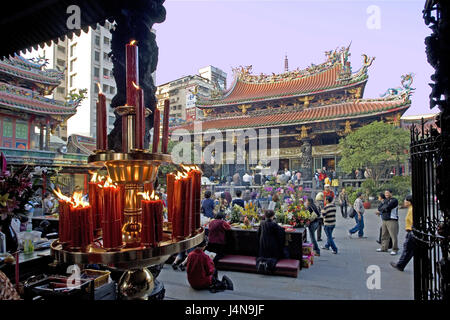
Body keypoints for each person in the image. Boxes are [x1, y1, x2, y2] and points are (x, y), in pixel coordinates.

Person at [391, 195, 414, 271]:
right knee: (409, 250)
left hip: (412, 232)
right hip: (412, 232)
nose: (404, 202)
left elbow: (413, 222)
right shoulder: (410, 209)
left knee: (407, 249)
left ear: (409, 202)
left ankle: (400, 265)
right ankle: (401, 264)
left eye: (405, 200)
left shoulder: (411, 210)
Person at [377, 189, 399, 255]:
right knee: (384, 235)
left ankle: (394, 249)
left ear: (391, 193)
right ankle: (384, 248)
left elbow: (388, 207)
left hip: (392, 220)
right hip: (384, 220)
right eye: (385, 193)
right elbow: (379, 207)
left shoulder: (394, 200)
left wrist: (383, 209)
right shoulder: (385, 200)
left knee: (393, 236)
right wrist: (383, 208)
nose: (386, 194)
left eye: (387, 193)